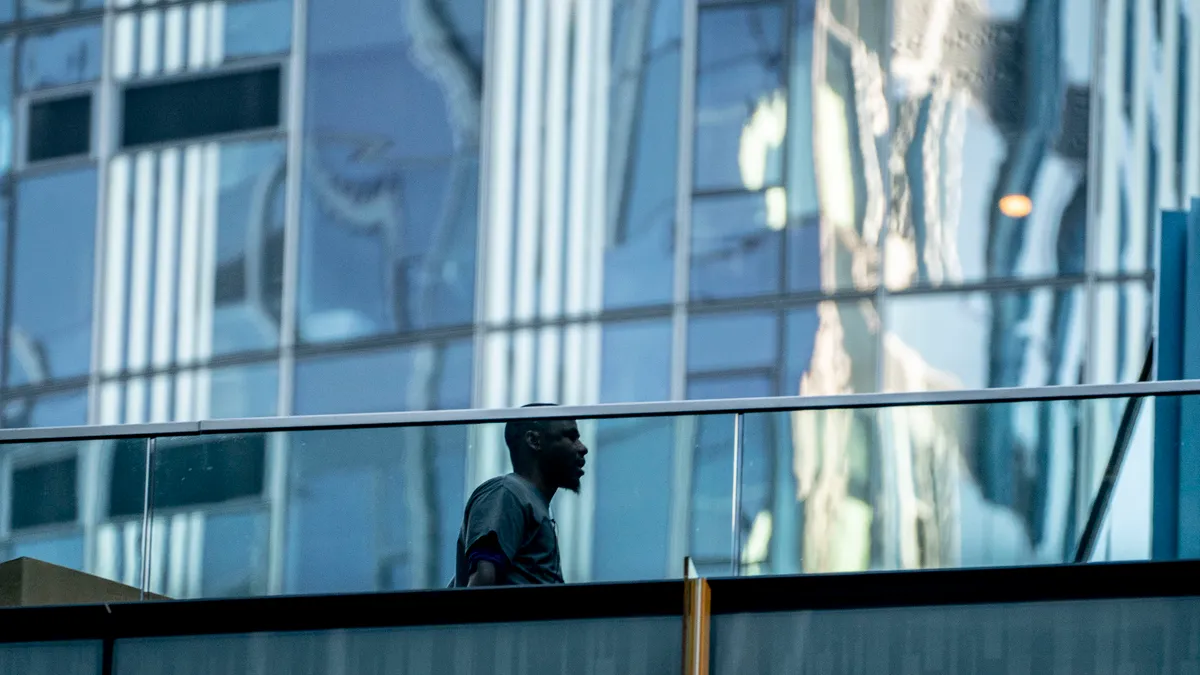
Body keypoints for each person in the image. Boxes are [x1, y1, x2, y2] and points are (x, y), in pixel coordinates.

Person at [454, 403, 588, 587]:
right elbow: (482, 580)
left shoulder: (522, 498)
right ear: (534, 440)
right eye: (571, 437)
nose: (582, 448)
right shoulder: (506, 492)